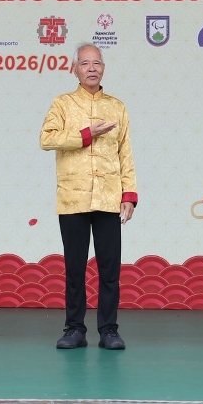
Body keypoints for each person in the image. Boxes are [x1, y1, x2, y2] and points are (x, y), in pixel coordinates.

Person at [40, 43, 137, 351]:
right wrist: (86, 134)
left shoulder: (117, 107)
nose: (92, 68)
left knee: (110, 269)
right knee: (75, 268)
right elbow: (46, 139)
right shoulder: (62, 104)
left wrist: (129, 194)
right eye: (85, 63)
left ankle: (109, 329)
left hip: (109, 198)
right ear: (74, 69)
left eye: (97, 63)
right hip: (73, 199)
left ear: (103, 68)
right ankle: (74, 329)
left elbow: (125, 153)